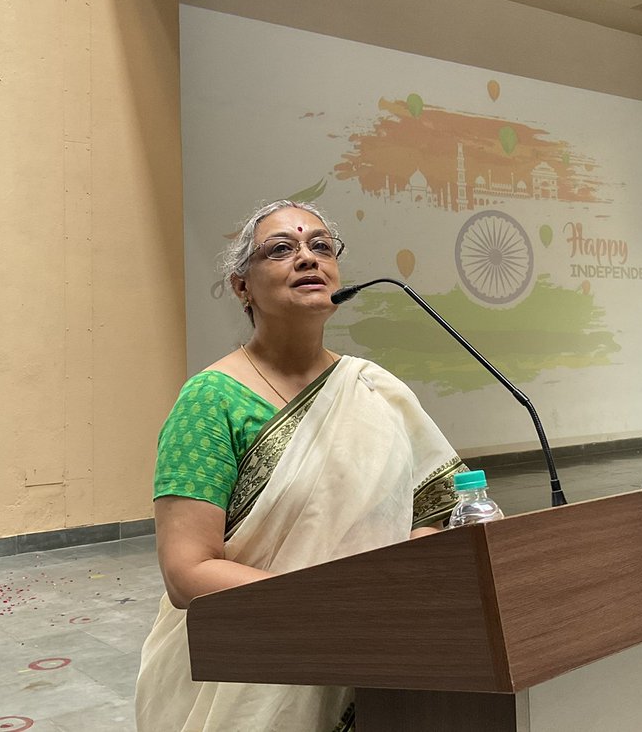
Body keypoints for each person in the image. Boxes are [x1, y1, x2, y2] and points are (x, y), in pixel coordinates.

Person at [135, 200, 467, 732]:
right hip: (252, 669)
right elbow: (187, 571)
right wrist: (333, 610)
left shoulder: (374, 390)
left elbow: (444, 510)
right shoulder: (210, 400)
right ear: (242, 286)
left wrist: (391, 588)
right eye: (282, 249)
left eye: (321, 246)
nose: (308, 258)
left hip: (379, 662)